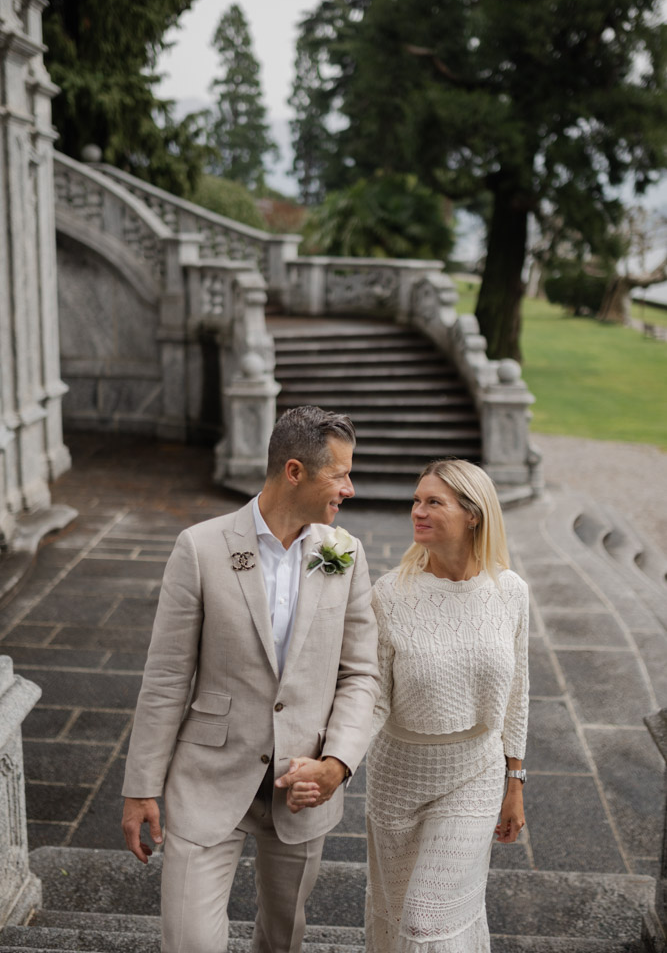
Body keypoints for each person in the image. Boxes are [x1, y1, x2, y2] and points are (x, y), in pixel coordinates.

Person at [121, 405, 379, 953]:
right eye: (340, 475)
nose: (350, 489)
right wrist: (141, 785)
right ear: (294, 472)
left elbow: (360, 674)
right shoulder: (200, 547)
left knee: (282, 940)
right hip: (208, 779)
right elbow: (167, 676)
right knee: (190, 941)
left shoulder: (343, 553)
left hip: (302, 788)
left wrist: (337, 763)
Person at [364, 458, 529, 952]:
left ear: (473, 514)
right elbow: (372, 698)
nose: (417, 510)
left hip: (474, 774)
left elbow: (518, 692)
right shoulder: (389, 595)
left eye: (433, 501)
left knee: (426, 922)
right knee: (395, 916)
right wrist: (336, 762)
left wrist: (514, 782)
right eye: (416, 500)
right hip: (398, 777)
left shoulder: (511, 592)